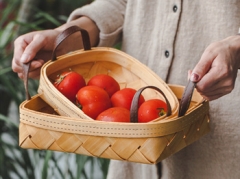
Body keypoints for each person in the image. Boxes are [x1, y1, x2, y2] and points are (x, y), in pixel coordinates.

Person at [12, 1, 240, 179]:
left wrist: (236, 46)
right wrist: (64, 36)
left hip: (223, 146)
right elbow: (121, 3)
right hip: (131, 148)